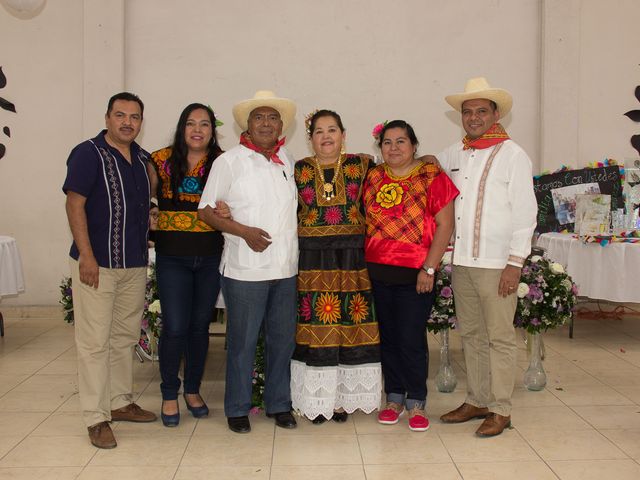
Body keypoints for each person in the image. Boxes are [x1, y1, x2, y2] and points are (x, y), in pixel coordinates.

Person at [437, 77, 537, 437]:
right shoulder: (455, 153)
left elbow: (526, 213)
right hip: (462, 261)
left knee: (500, 337)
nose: (474, 117)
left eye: (481, 111)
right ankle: (477, 399)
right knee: (473, 336)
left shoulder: (513, 155)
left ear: (496, 114)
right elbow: (427, 171)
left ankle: (501, 409)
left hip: (497, 265)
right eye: (468, 111)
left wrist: (515, 263)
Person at [198, 90, 298, 434]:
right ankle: (238, 407)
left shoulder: (287, 159)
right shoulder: (229, 162)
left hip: (286, 269)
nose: (266, 123)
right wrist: (242, 230)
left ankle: (279, 404)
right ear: (248, 125)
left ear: (281, 124)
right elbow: (205, 210)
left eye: (272, 117)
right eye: (259, 117)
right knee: (242, 342)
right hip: (245, 270)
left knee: (282, 341)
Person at [63, 92, 157, 449]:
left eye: (134, 117)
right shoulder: (87, 154)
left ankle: (120, 402)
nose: (127, 122)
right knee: (93, 342)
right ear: (107, 118)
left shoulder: (142, 158)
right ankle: (96, 417)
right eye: (120, 115)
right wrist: (86, 255)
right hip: (97, 263)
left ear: (141, 123)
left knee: (123, 338)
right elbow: (75, 204)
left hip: (132, 263)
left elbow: (145, 202)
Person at [363, 120, 458, 432]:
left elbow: (445, 225)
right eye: (387, 142)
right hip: (377, 270)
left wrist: (429, 268)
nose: (394, 148)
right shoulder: (374, 176)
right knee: (388, 338)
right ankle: (393, 398)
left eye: (401, 141)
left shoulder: (432, 175)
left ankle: (417, 400)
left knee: (410, 338)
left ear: (414, 145)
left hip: (417, 272)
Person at [291, 109, 381, 424]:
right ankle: (316, 400)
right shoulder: (298, 169)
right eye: (319, 131)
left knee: (350, 325)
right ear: (310, 137)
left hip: (353, 258)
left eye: (332, 130)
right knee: (318, 325)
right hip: (313, 259)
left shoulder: (363, 165)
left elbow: (399, 172)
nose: (326, 136)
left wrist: (427, 159)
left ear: (343, 134)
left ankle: (342, 400)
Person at [147, 103, 224, 427]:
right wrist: (149, 216)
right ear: (182, 128)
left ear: (212, 130)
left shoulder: (222, 162)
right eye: (190, 123)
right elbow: (145, 198)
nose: (197, 130)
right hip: (172, 257)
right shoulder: (159, 160)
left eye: (204, 124)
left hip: (209, 257)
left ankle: (192, 390)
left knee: (198, 328)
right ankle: (169, 393)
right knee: (175, 326)